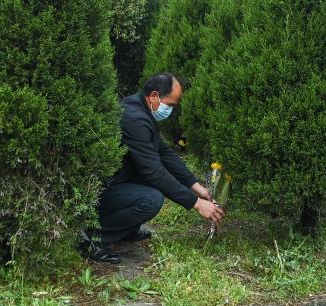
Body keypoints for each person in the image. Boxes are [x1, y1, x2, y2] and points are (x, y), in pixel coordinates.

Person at [79, 73, 224, 264]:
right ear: (154, 96)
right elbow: (154, 172)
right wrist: (196, 203)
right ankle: (92, 237)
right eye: (171, 104)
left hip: (117, 183)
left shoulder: (140, 108)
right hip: (99, 192)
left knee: (149, 188)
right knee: (151, 199)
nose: (171, 110)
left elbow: (164, 153)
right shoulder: (134, 119)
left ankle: (126, 230)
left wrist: (195, 186)